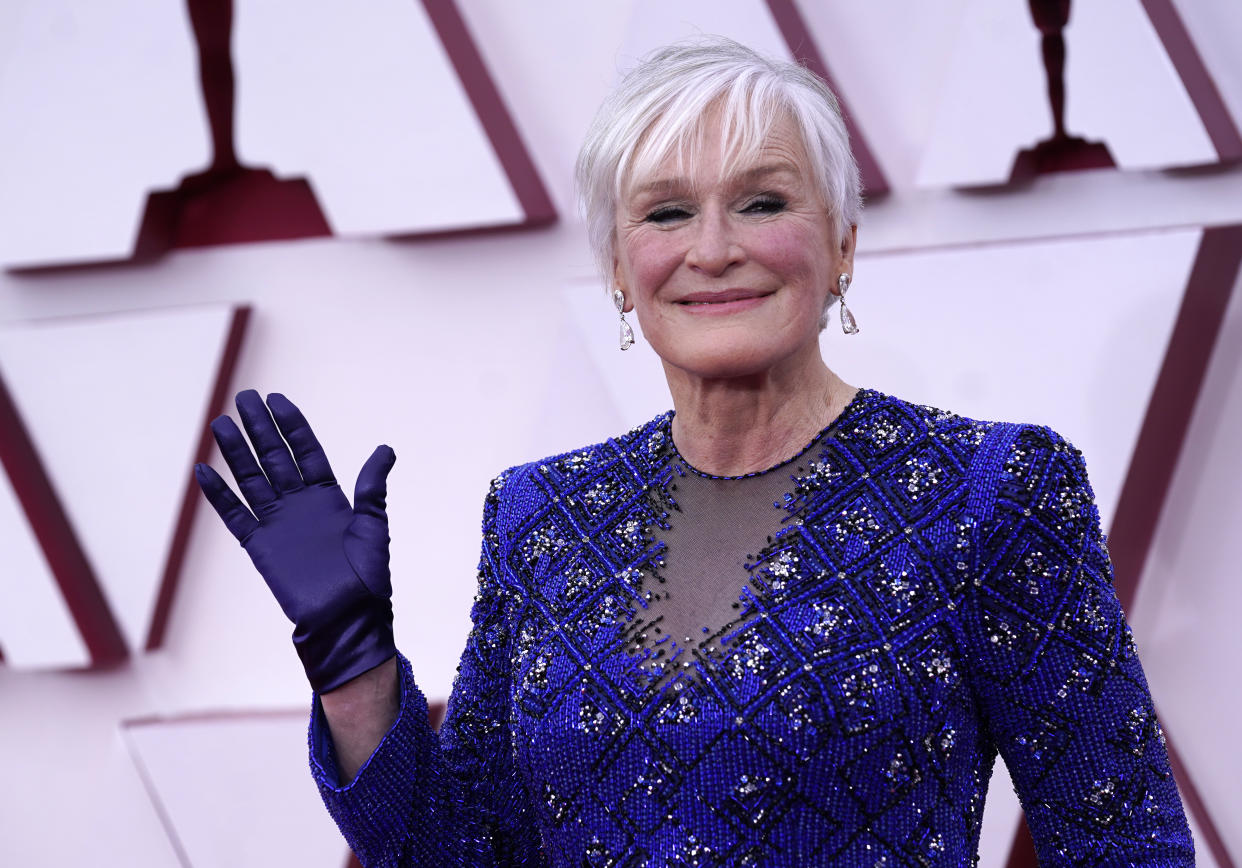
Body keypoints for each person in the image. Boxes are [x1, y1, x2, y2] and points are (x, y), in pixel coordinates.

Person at [195, 38, 1193, 867]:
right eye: (668, 212)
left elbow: (1125, 845)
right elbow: (460, 856)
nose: (714, 247)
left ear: (842, 244)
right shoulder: (542, 516)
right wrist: (351, 657)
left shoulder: (991, 493)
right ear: (621, 270)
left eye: (763, 201)